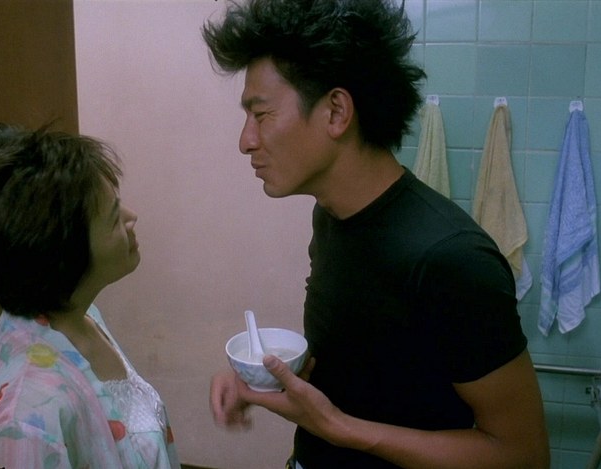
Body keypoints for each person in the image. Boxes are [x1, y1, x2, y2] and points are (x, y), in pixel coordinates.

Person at [202, 1, 550, 468]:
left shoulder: (452, 259)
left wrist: (341, 428)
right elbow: (366, 367)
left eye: (261, 114)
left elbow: (523, 455)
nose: (246, 140)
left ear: (336, 112)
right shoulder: (331, 215)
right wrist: (264, 380)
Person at [0, 122, 180, 469]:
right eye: (113, 219)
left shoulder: (79, 314)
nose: (131, 217)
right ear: (65, 255)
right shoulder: (25, 425)